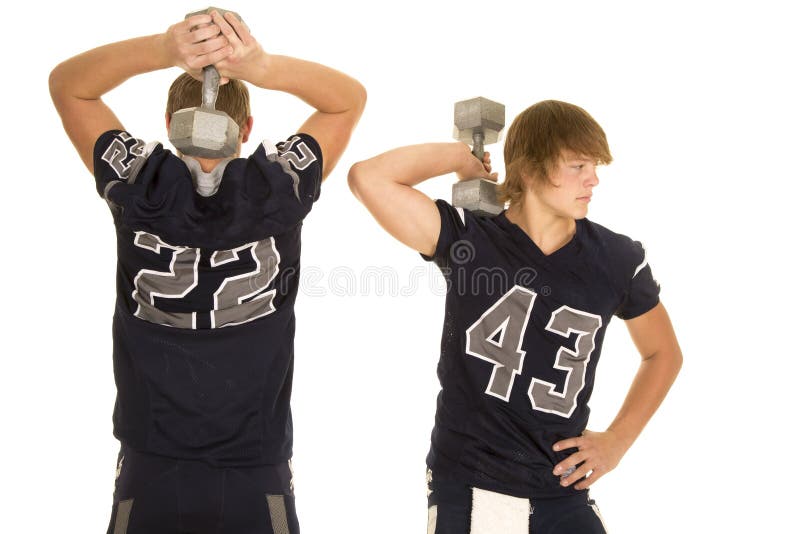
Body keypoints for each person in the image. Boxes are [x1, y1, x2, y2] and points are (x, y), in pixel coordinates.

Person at [50, 10, 365, 533]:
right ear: (246, 128)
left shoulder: (139, 181)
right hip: (253, 460)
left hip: (152, 459)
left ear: (171, 123)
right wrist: (258, 66)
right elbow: (348, 98)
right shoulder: (277, 187)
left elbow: (69, 87)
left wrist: (163, 49)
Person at [348, 99, 682, 533]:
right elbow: (367, 178)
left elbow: (663, 353)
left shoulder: (616, 259)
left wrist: (617, 440)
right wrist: (459, 159)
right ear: (529, 168)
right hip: (471, 483)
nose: (593, 180)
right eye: (577, 166)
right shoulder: (472, 240)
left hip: (562, 487)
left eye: (594, 166)